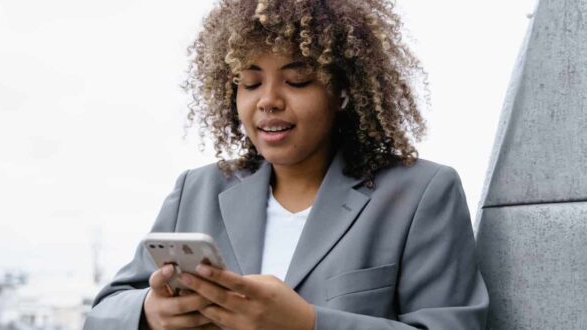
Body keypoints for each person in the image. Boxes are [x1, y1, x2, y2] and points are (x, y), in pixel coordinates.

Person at [84, 0, 489, 329]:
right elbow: (104, 312)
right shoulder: (198, 189)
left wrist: (308, 324)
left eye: (297, 81)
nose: (269, 100)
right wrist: (149, 314)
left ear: (344, 90)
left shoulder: (422, 192)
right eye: (250, 82)